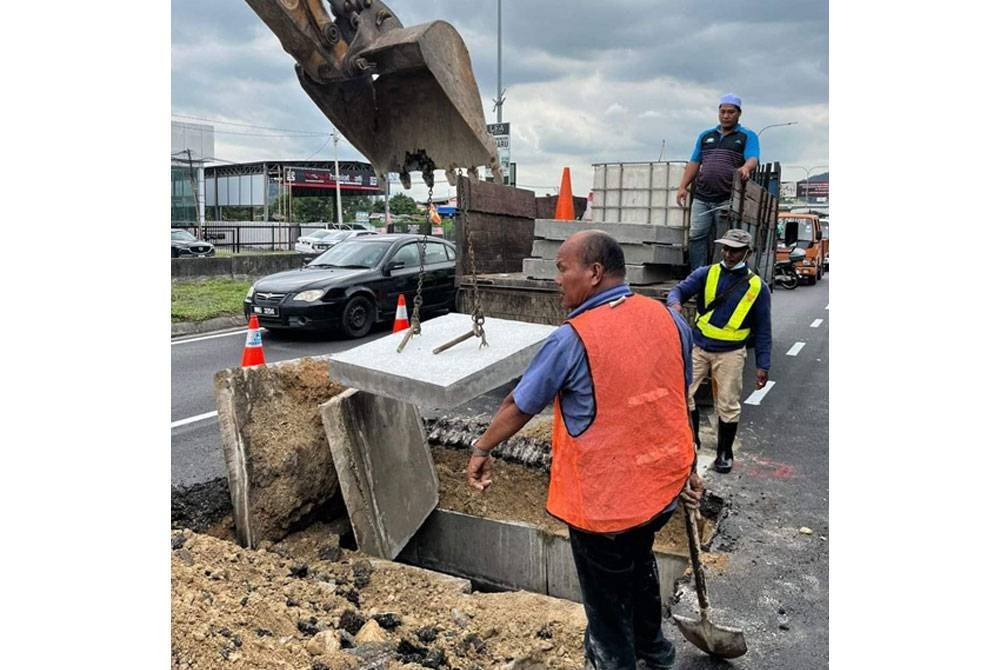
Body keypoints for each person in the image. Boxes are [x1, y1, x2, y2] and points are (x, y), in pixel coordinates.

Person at [466, 230, 703, 670]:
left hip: (605, 505)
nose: (557, 279)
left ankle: (618, 660)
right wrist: (689, 463)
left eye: (562, 268)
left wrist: (482, 447)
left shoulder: (572, 338)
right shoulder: (670, 320)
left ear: (593, 273)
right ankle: (656, 649)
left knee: (606, 604)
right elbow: (677, 399)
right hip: (660, 491)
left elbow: (519, 403)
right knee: (637, 563)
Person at [667, 228, 772, 474]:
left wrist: (762, 365)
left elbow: (764, 330)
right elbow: (679, 290)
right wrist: (674, 304)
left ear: (747, 253)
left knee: (727, 403)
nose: (729, 254)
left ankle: (724, 452)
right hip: (699, 346)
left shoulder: (758, 288)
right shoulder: (707, 273)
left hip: (732, 353)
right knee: (683, 393)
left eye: (735, 250)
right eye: (726, 248)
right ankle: (693, 441)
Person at [676, 93, 760, 270]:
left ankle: (719, 273)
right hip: (702, 196)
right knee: (696, 234)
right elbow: (694, 162)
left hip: (726, 197)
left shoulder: (746, 136)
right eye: (723, 111)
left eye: (731, 112)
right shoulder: (706, 136)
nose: (726, 115)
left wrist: (746, 168)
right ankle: (697, 273)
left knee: (724, 239)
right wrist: (683, 186)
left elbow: (753, 158)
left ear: (739, 114)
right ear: (718, 112)